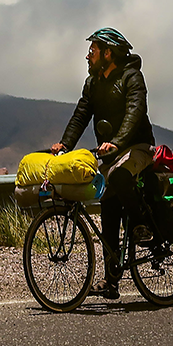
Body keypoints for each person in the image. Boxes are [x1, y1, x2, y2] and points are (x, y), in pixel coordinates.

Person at [50, 27, 155, 299]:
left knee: (120, 176)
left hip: (138, 148)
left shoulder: (132, 77)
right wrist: (65, 144)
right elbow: (81, 114)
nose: (88, 56)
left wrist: (118, 142)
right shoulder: (94, 83)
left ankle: (143, 223)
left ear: (108, 53)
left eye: (93, 51)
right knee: (108, 210)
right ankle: (111, 281)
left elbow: (135, 112)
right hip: (111, 154)